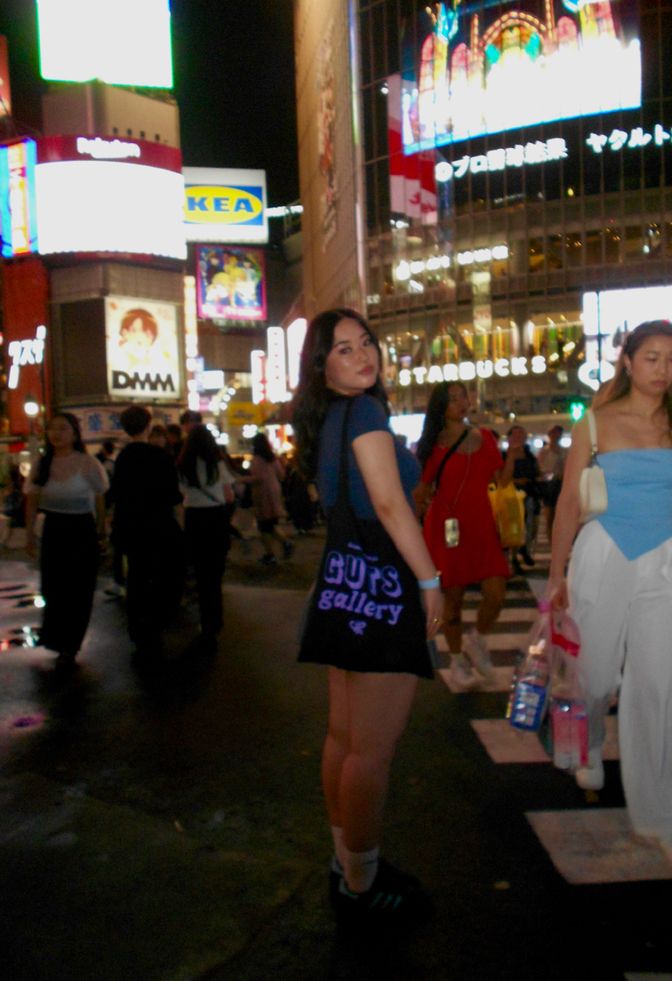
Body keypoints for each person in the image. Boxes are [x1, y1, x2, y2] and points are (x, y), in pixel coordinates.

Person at [292, 307, 442, 926]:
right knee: (370, 751)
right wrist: (429, 580)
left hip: (341, 580)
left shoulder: (329, 418)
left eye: (366, 344)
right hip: (381, 582)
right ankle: (362, 880)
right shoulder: (369, 413)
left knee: (345, 738)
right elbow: (387, 501)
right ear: (322, 366)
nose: (362, 357)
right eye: (343, 350)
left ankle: (345, 861)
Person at [547, 320, 672, 875]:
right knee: (592, 674)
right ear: (628, 361)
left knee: (658, 689)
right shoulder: (595, 421)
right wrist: (556, 574)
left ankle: (662, 820)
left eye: (671, 359)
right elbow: (569, 500)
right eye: (651, 358)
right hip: (602, 553)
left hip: (663, 560)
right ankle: (587, 738)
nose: (662, 369)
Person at [414, 382, 520, 688]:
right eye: (453, 399)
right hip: (448, 528)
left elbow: (501, 481)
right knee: (453, 602)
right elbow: (421, 491)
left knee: (496, 592)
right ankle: (458, 659)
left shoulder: (485, 437)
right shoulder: (434, 445)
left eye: (464, 396)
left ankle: (478, 640)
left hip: (481, 525)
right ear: (441, 408)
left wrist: (511, 453)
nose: (462, 403)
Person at [25, 412, 108, 671]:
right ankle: (56, 639)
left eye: (62, 428)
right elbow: (32, 499)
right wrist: (29, 535)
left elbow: (99, 496)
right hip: (54, 529)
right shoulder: (42, 463)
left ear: (74, 433)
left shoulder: (87, 463)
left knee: (78, 589)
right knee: (53, 588)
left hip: (80, 529)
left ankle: (70, 645)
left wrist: (100, 528)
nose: (56, 434)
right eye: (52, 429)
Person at [111, 406, 185, 655]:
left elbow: (117, 495)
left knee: (137, 576)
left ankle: (138, 628)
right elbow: (174, 496)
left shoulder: (122, 459)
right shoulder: (160, 457)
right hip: (159, 525)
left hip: (131, 526)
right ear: (147, 425)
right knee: (164, 575)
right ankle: (156, 623)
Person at [178, 424, 234, 646]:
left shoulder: (183, 465)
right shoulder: (217, 463)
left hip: (194, 519)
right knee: (215, 574)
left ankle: (206, 624)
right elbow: (229, 496)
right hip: (216, 519)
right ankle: (214, 622)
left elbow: (181, 495)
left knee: (201, 575)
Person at [244, 432, 294, 565]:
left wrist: (241, 479)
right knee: (270, 523)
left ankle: (270, 554)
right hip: (274, 490)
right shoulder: (272, 458)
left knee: (263, 525)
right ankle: (285, 543)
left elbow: (257, 478)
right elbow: (282, 475)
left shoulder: (256, 460)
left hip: (263, 493)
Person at [505, 424, 541, 573]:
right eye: (516, 434)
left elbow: (536, 471)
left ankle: (524, 548)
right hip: (512, 495)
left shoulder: (529, 454)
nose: (519, 437)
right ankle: (513, 558)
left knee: (532, 525)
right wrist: (516, 481)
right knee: (515, 528)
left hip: (530, 493)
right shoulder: (505, 455)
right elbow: (502, 477)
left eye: (522, 434)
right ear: (509, 437)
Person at [537, 424, 567, 541]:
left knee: (561, 513)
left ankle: (559, 537)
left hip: (561, 483)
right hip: (549, 484)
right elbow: (540, 468)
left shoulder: (564, 451)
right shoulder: (544, 451)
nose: (556, 435)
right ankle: (551, 537)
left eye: (558, 433)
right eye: (553, 433)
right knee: (550, 513)